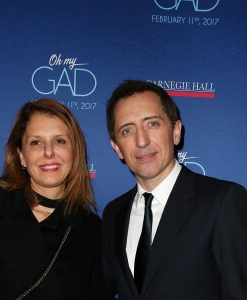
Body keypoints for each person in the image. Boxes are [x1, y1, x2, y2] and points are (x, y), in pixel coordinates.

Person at [0, 99, 110, 300]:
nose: (48, 152)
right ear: (21, 156)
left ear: (75, 152)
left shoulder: (92, 230)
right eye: (36, 142)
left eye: (60, 141)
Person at [102, 80, 247, 300]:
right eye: (127, 130)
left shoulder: (222, 201)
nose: (141, 141)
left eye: (152, 124)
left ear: (176, 132)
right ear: (117, 148)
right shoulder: (114, 213)